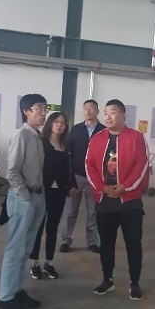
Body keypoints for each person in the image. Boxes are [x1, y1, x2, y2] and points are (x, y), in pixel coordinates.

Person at [85, 99, 149, 301]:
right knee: (106, 244)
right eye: (105, 113)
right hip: (104, 201)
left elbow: (142, 165)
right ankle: (107, 279)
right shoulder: (97, 138)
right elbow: (89, 165)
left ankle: (134, 282)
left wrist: (125, 187)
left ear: (123, 115)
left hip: (129, 201)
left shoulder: (137, 137)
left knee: (133, 244)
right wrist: (101, 187)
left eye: (112, 112)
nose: (108, 116)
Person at [0, 94, 47, 309]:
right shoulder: (21, 136)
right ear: (26, 111)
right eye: (39, 109)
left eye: (45, 109)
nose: (43, 113)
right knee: (15, 249)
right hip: (22, 198)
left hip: (37, 196)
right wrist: (25, 197)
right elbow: (12, 172)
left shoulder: (37, 137)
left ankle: (16, 291)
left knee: (25, 249)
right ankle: (5, 298)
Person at [29, 112, 75, 280]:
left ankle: (49, 262)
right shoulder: (41, 143)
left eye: (62, 123)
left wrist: (71, 185)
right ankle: (34, 263)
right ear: (50, 124)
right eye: (56, 122)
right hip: (43, 189)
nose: (59, 125)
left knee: (52, 228)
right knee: (38, 227)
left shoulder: (65, 146)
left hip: (59, 191)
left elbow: (69, 168)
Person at [58, 100, 105, 253]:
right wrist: (68, 175)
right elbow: (68, 152)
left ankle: (92, 242)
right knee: (70, 210)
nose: (88, 111)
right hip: (77, 175)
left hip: (96, 178)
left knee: (93, 211)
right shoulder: (76, 130)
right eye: (85, 109)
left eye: (91, 108)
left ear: (97, 111)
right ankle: (65, 240)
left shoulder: (104, 131)